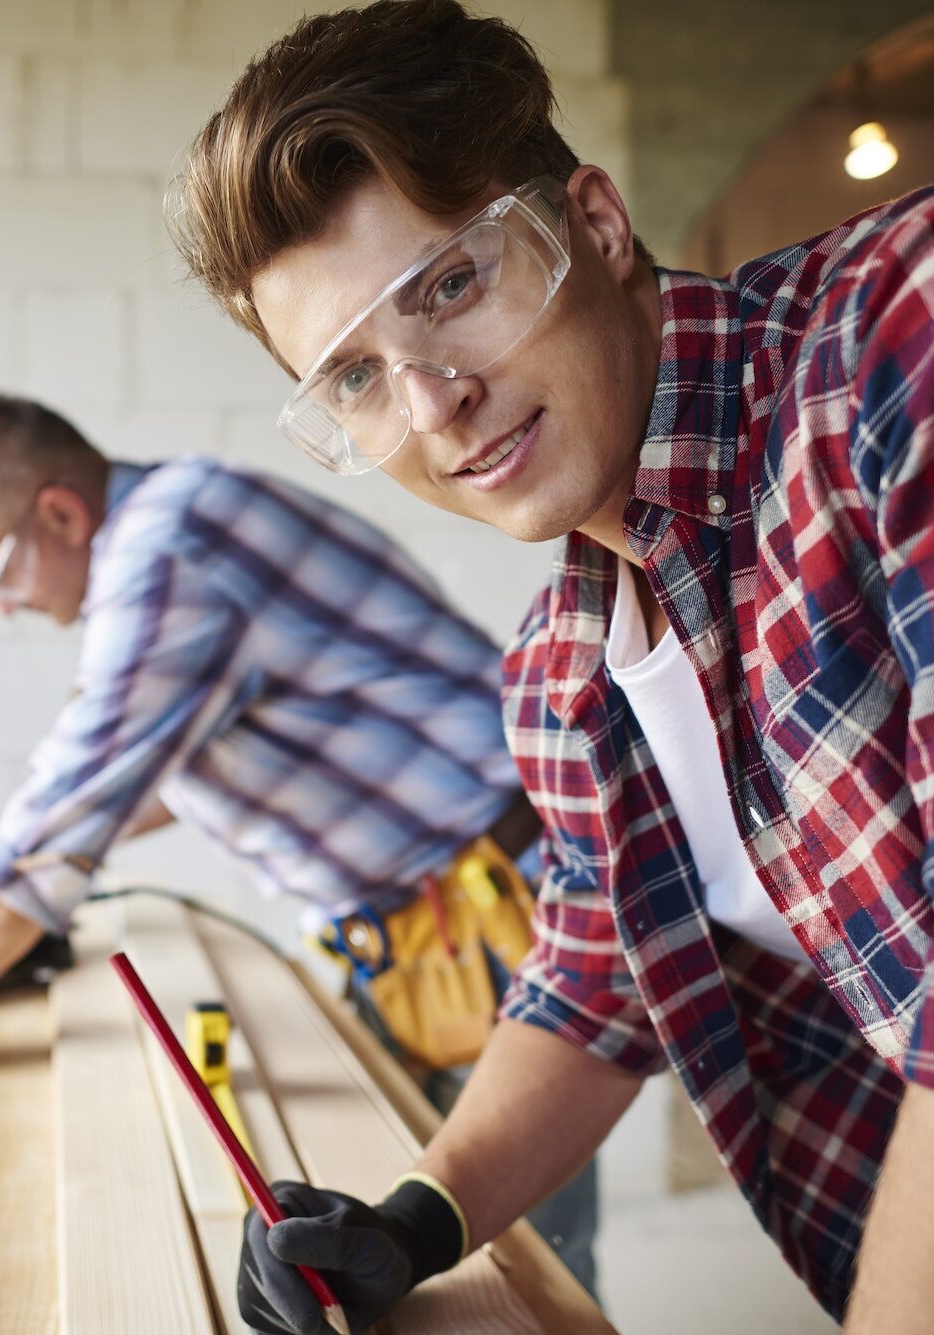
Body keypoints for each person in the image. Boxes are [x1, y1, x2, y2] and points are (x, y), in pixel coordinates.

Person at [168, 1, 934, 1331]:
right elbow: (600, 968)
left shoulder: (885, 350)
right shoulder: (566, 674)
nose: (429, 404)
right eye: (352, 377)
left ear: (593, 219)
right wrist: (418, 1215)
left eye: (450, 285)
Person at [0, 392, 599, 1292]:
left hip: (502, 914)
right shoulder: (179, 529)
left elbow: (77, 798)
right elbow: (141, 783)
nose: (8, 606)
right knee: (395, 1249)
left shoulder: (171, 547)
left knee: (524, 1266)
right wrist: (1, 849)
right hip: (418, 931)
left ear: (58, 512)